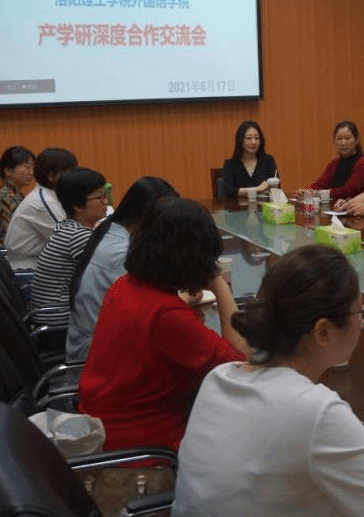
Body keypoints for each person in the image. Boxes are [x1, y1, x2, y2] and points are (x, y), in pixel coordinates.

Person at [173, 246, 364, 517]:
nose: (362, 324)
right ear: (323, 332)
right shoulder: (316, 412)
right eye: (360, 313)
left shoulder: (219, 378)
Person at [78, 198, 248, 453]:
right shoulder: (167, 315)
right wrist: (219, 283)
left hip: (104, 425)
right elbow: (239, 364)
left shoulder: (123, 286)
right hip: (145, 450)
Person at [65, 176, 178, 362]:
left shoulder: (113, 229)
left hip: (99, 342)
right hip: (94, 356)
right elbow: (148, 314)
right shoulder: (121, 252)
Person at [30, 167, 108, 326]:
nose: (106, 202)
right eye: (99, 198)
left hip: (52, 311)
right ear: (78, 206)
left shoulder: (68, 226)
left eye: (105, 195)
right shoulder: (79, 236)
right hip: (60, 318)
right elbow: (108, 276)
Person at [4, 147, 78, 270]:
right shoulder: (43, 202)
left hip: (39, 263)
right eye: (70, 172)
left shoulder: (47, 195)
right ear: (51, 176)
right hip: (28, 270)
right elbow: (71, 242)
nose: (74, 177)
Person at [306, 121, 364, 202]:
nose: (343, 143)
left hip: (358, 206)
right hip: (336, 206)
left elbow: (349, 191)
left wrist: (321, 193)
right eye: (339, 138)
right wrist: (307, 192)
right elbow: (319, 185)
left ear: (356, 140)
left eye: (347, 138)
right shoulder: (334, 163)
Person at [0, 145, 35, 245]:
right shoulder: (6, 196)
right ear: (8, 171)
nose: (31, 172)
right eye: (27, 167)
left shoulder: (15, 193)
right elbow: (13, 235)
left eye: (33, 167)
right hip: (5, 250)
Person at [222, 120, 278, 198]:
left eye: (257, 138)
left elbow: (274, 188)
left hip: (265, 205)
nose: (253, 142)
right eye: (248, 138)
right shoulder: (230, 164)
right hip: (238, 205)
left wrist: (242, 191)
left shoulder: (268, 161)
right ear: (240, 140)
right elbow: (229, 191)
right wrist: (258, 189)